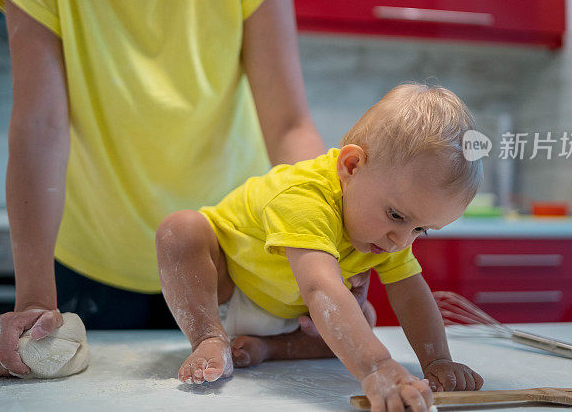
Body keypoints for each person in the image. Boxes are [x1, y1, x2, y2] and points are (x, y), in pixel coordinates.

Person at [0, 0, 376, 378]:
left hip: (231, 258)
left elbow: (287, 125)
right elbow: (39, 127)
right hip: (95, 256)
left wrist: (323, 243)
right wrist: (33, 298)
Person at [157, 84, 485, 411]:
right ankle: (208, 338)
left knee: (361, 318)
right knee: (180, 229)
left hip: (293, 317)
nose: (401, 240)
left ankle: (266, 348)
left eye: (420, 229)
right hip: (224, 292)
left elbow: (412, 293)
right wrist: (376, 368)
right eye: (396, 216)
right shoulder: (304, 198)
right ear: (352, 165)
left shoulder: (392, 227)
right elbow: (320, 288)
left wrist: (438, 359)